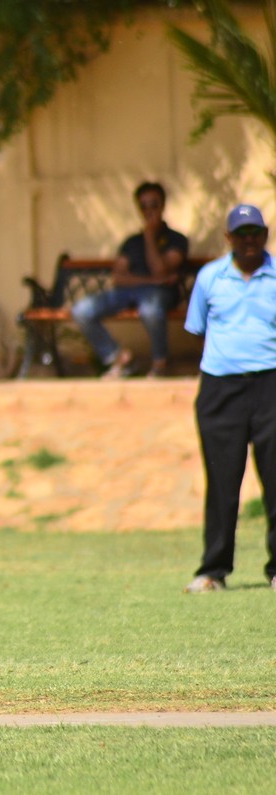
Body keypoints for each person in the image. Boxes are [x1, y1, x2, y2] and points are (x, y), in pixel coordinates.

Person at [182, 203, 276, 594]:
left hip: (271, 385)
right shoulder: (210, 278)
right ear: (228, 238)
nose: (249, 240)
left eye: (256, 232)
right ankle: (213, 571)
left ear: (265, 235)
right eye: (241, 234)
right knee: (222, 479)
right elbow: (197, 330)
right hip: (221, 389)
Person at [71, 182, 190, 378]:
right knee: (81, 310)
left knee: (150, 309)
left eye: (154, 204)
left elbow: (160, 269)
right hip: (130, 292)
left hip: (162, 294)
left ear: (163, 206)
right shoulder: (131, 242)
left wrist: (150, 237)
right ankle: (120, 358)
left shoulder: (176, 239)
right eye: (143, 206)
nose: (149, 211)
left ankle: (160, 363)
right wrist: (153, 281)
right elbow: (119, 277)